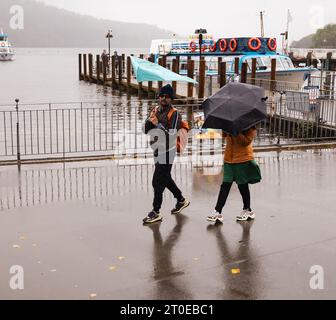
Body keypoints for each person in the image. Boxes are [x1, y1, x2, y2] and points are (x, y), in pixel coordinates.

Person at [143, 84, 190, 224]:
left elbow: (171, 135)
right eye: (162, 96)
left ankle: (156, 212)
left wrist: (157, 124)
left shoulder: (175, 113)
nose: (163, 98)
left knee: (157, 181)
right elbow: (146, 130)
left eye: (167, 97)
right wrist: (149, 121)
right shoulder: (155, 110)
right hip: (157, 149)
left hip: (168, 151)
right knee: (165, 178)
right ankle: (181, 200)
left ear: (171, 99)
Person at [207, 127, 261, 223]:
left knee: (242, 185)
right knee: (225, 186)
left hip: (242, 159)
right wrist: (225, 130)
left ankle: (247, 209)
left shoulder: (249, 125)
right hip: (229, 159)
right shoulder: (230, 123)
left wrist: (235, 131)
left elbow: (246, 142)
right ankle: (217, 211)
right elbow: (223, 135)